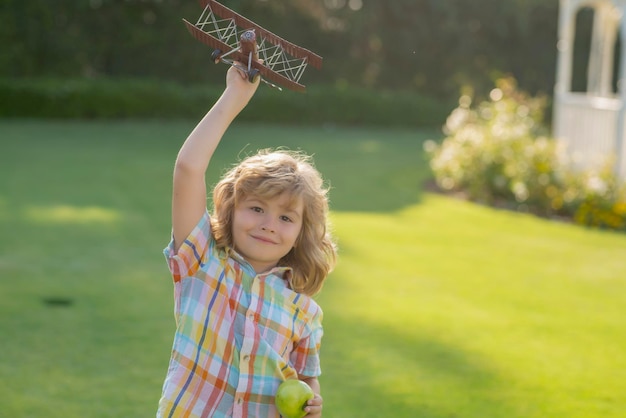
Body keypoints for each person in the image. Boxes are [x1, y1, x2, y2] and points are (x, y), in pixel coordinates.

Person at [157, 63, 337, 418]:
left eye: (286, 217)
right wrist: (235, 97)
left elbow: (305, 378)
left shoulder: (304, 311)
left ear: (302, 231)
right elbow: (188, 169)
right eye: (256, 208)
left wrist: (311, 405)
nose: (269, 225)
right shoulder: (203, 262)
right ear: (231, 209)